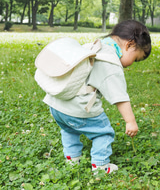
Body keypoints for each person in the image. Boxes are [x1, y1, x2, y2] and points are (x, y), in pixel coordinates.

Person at [44, 20, 151, 174]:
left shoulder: (92, 46)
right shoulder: (110, 62)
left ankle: (72, 159)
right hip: (78, 108)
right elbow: (119, 96)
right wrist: (130, 121)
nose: (132, 64)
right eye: (135, 59)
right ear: (130, 45)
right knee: (103, 132)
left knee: (69, 129)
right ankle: (100, 166)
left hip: (56, 104)